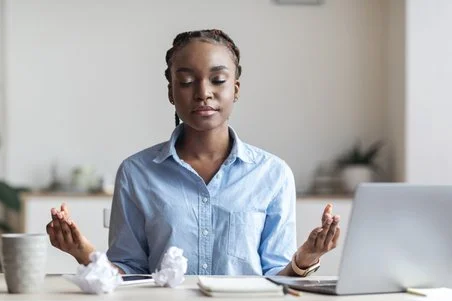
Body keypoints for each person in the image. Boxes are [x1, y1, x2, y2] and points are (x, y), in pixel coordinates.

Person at [46, 29, 340, 276]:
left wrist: (306, 257)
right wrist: (82, 252)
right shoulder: (136, 173)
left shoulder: (273, 174)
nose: (203, 92)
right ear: (171, 92)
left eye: (218, 80)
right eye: (186, 82)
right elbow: (129, 275)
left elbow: (276, 279)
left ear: (235, 89)